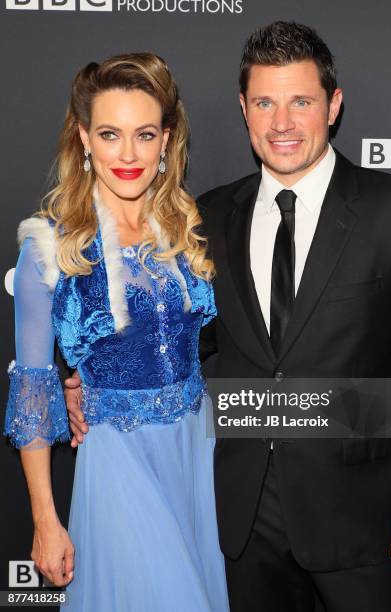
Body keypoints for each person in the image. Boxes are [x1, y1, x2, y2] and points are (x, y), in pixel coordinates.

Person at [66, 22, 391, 612]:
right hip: (239, 517)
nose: (283, 123)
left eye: (301, 101)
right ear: (244, 110)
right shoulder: (207, 215)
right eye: (266, 103)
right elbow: (182, 339)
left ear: (334, 105)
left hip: (360, 515)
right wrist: (89, 377)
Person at [4, 53, 229, 612]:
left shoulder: (185, 228)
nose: (128, 155)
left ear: (166, 140)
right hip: (118, 463)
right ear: (84, 137)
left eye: (144, 134)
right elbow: (34, 392)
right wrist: (45, 522)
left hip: (195, 454)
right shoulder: (47, 247)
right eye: (110, 134)